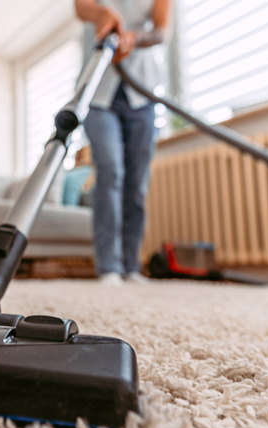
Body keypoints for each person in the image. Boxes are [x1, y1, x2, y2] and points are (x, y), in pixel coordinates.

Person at [73, 0, 172, 286]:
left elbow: (162, 32)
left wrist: (134, 38)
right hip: (98, 93)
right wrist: (105, 14)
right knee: (111, 170)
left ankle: (131, 265)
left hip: (142, 95)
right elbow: (80, 8)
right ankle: (109, 266)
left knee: (137, 183)